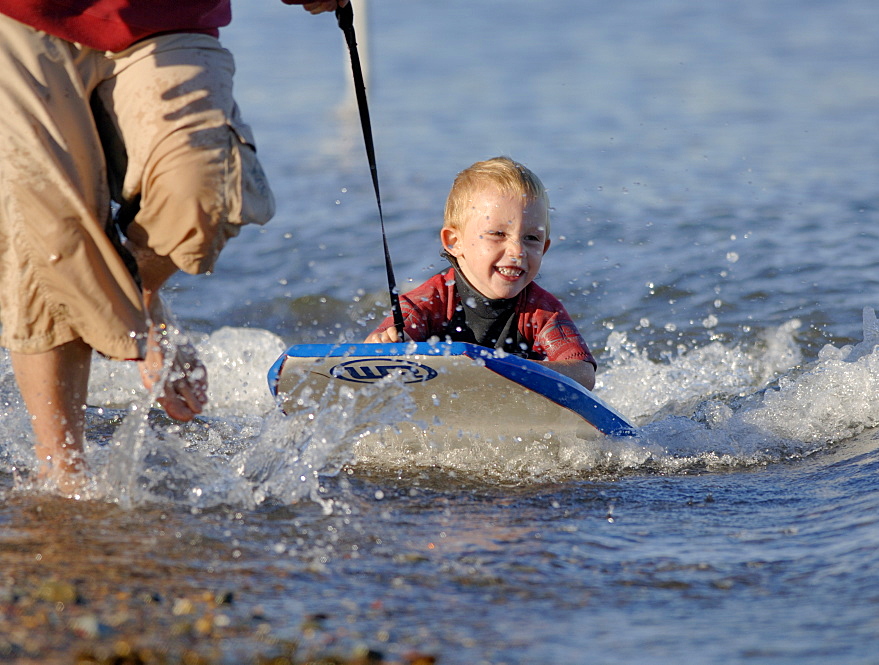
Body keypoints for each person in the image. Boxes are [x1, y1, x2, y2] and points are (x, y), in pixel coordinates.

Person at [0, 0, 346, 494]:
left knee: (204, 192)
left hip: (168, 12)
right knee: (51, 239)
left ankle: (140, 300)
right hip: (21, 15)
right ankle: (63, 476)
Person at [366, 157, 598, 390]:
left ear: (544, 248)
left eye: (531, 238)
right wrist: (389, 345)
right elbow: (370, 355)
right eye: (498, 234)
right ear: (454, 242)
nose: (518, 251)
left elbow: (583, 374)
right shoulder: (427, 303)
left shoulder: (541, 311)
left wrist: (509, 369)